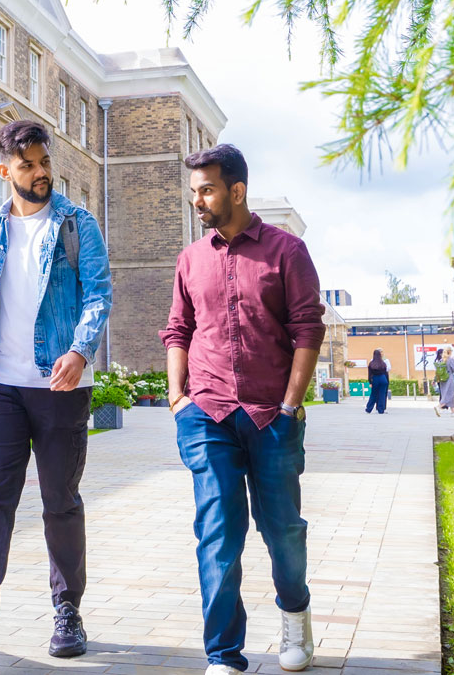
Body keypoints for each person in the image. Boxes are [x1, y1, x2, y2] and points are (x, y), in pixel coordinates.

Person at [0, 120, 113, 675]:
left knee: (60, 501)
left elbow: (98, 295)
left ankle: (67, 611)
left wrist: (80, 351)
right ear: (5, 170)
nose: (40, 172)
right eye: (27, 164)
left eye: (43, 161)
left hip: (59, 388)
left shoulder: (78, 225)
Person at [160, 144, 321, 674]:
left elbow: (306, 329)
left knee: (282, 530)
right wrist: (177, 397)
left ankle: (295, 614)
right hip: (206, 413)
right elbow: (177, 330)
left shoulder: (286, 251)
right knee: (218, 529)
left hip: (271, 416)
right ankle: (224, 653)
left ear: (237, 190)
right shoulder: (191, 258)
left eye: (206, 189)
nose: (197, 201)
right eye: (193, 192)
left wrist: (291, 405)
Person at [364, 349, 390, 414]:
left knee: (374, 394)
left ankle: (369, 408)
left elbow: (370, 374)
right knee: (382, 394)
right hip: (383, 379)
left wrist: (370, 382)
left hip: (375, 379)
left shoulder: (371, 364)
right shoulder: (383, 363)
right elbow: (385, 372)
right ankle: (381, 409)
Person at [438, 347, 454, 415]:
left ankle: (453, 411)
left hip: (442, 380)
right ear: (450, 352)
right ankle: (439, 406)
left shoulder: (441, 360)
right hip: (449, 378)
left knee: (445, 393)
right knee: (450, 394)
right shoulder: (450, 359)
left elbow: (438, 370)